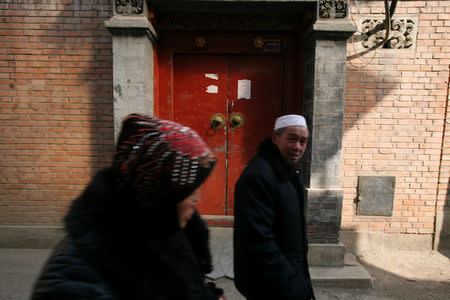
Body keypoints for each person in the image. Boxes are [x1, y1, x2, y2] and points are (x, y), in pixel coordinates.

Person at [31, 113, 225, 300]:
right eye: (188, 191)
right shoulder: (76, 280)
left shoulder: (168, 229)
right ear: (159, 193)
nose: (197, 200)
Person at [233, 114, 315, 300]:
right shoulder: (258, 176)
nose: (297, 147)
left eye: (303, 141)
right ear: (275, 137)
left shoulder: (289, 171)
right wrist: (292, 285)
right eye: (291, 139)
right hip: (271, 284)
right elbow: (259, 242)